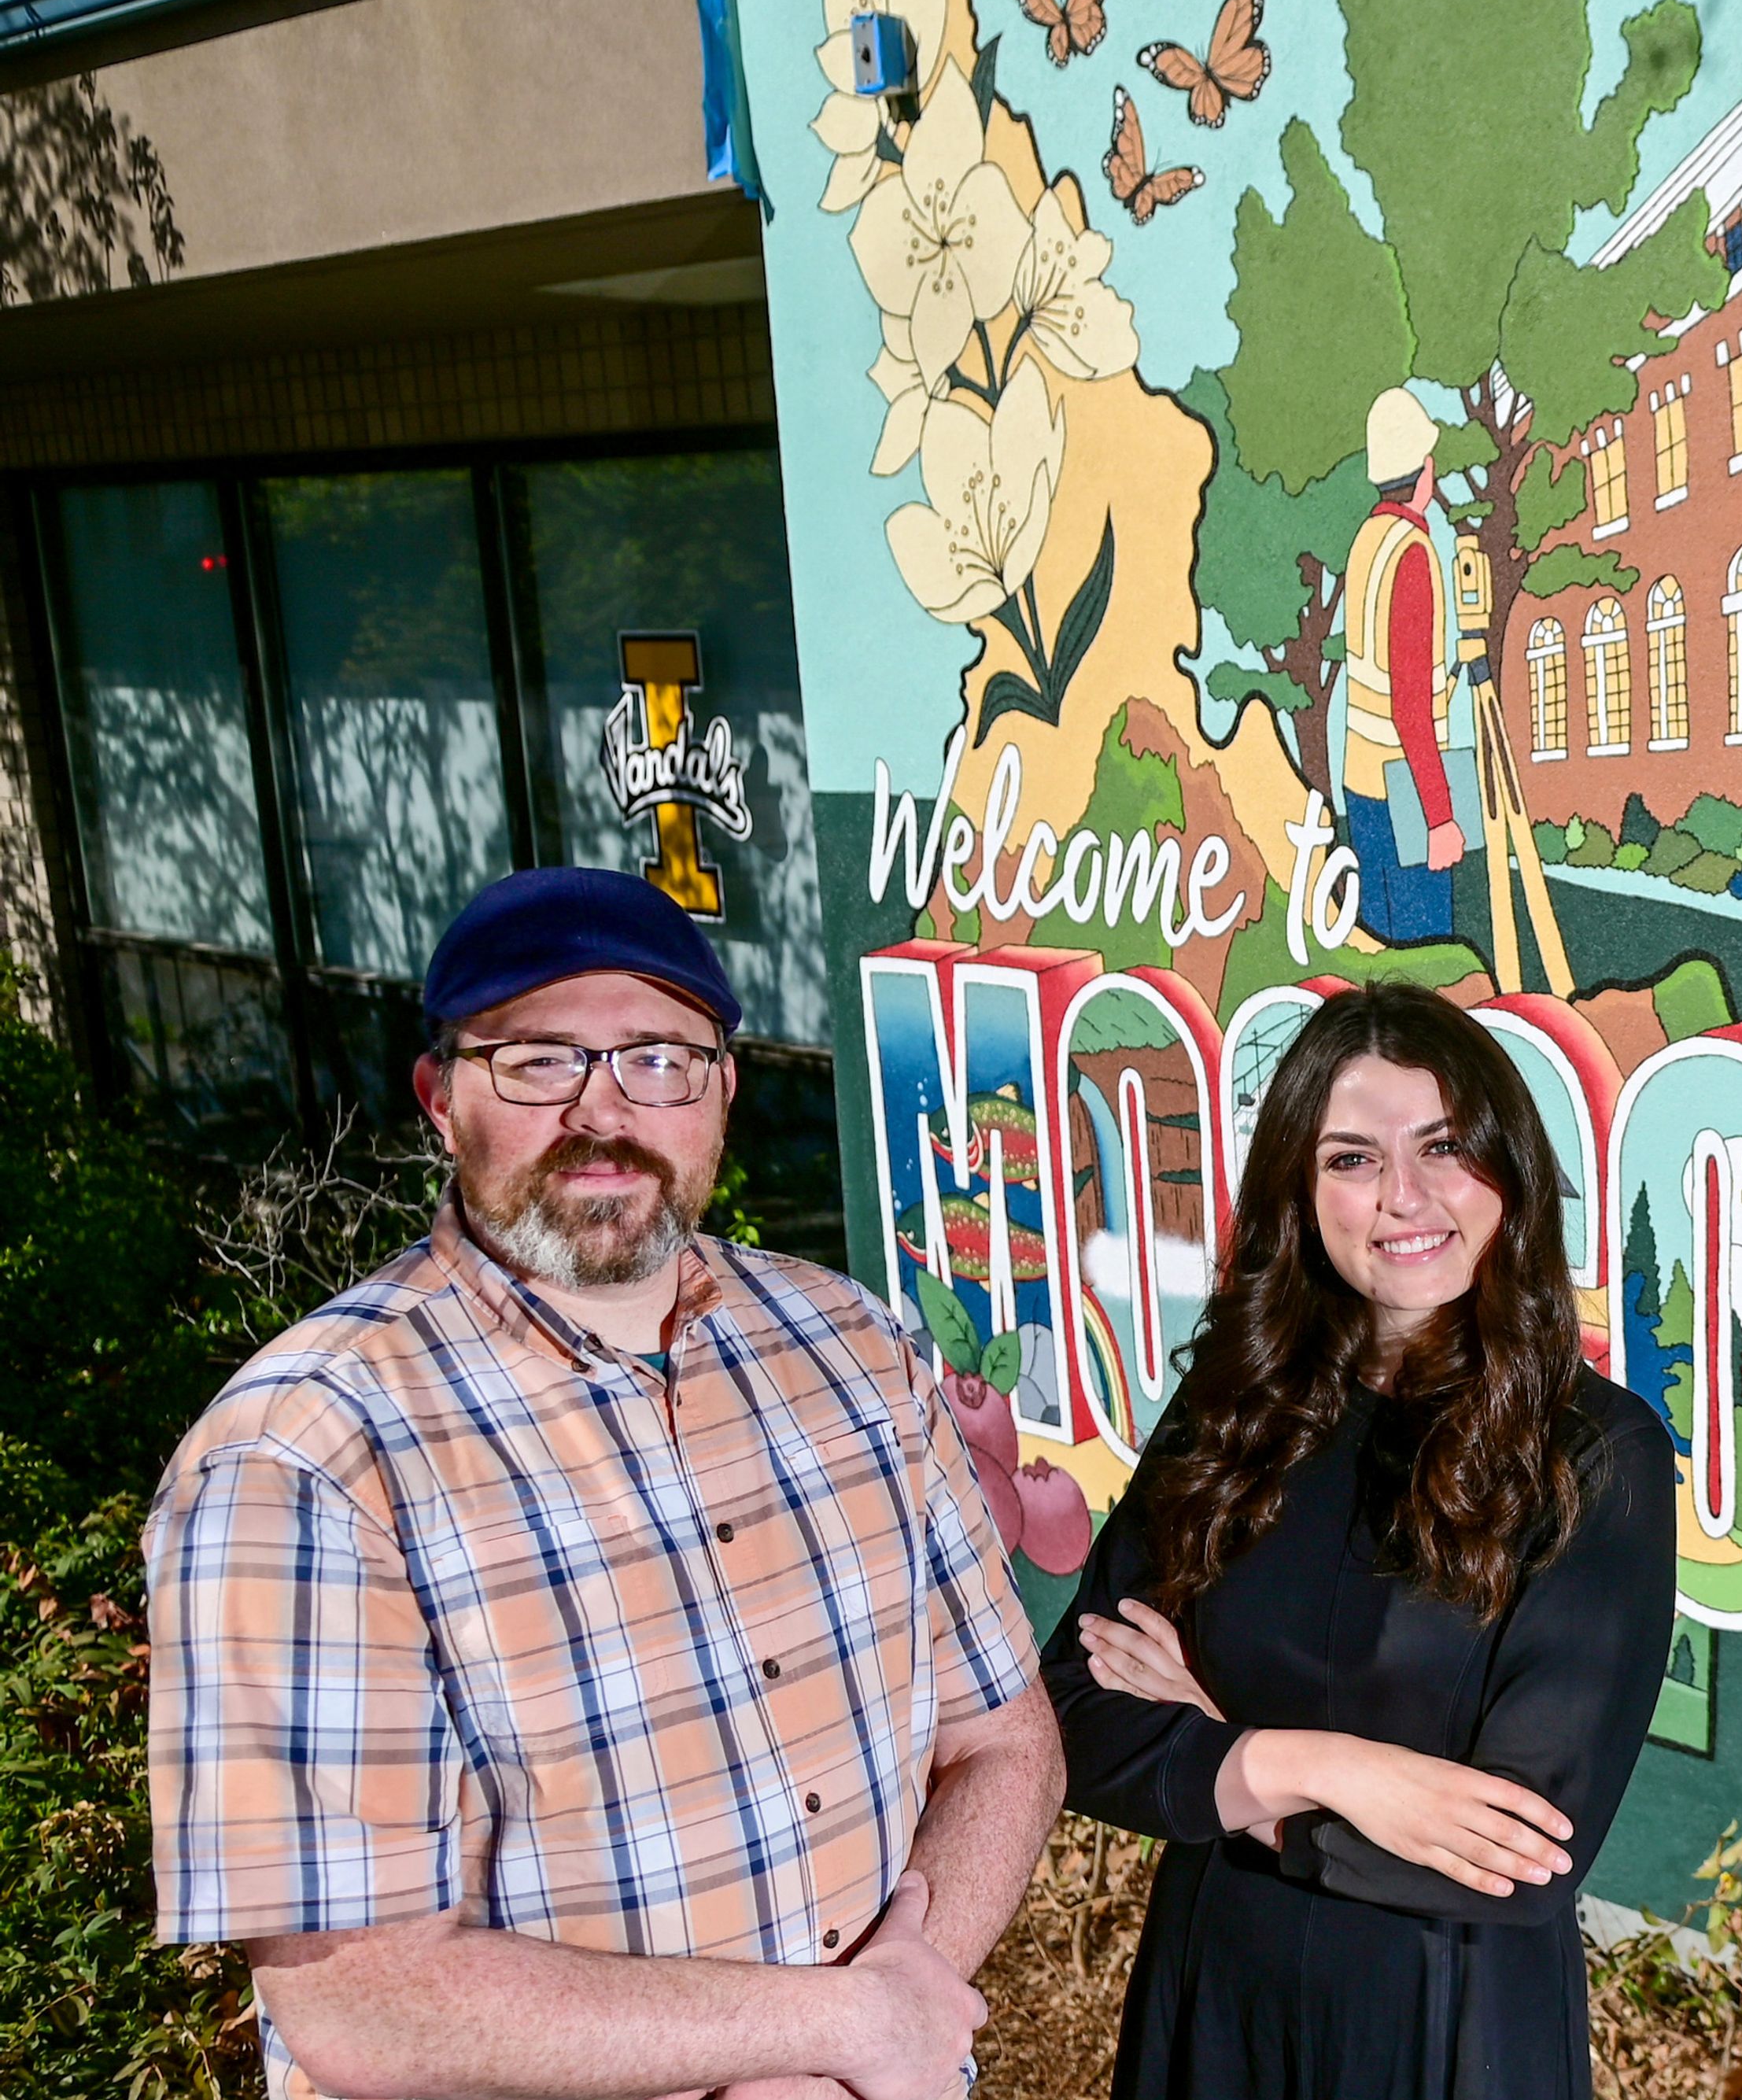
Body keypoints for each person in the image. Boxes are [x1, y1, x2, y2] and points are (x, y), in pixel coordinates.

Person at [144, 866, 1063, 2100]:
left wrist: (876, 2021)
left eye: (659, 1058)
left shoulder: (855, 1347)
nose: (604, 1109)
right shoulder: (301, 1458)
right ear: (440, 1097)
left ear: (723, 1089)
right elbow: (362, 1994)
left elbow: (1005, 1738)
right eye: (536, 1059)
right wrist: (833, 2023)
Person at [1044, 980, 1675, 2100]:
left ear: (1508, 1166)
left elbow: (1520, 1855)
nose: (1405, 1195)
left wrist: (1216, 1751)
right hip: (1215, 1989)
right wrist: (1329, 1768)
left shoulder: (1594, 1452)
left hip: (1442, 2024)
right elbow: (1078, 1718)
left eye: (1443, 1145)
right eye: (1351, 1157)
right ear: (1299, 1183)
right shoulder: (1235, 1408)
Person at [1340, 386, 1465, 943]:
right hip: (1404, 790)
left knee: (1381, 960)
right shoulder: (1412, 553)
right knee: (1424, 970)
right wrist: (1440, 817)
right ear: (1426, 472)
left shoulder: (1366, 540)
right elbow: (1410, 704)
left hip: (1361, 783)